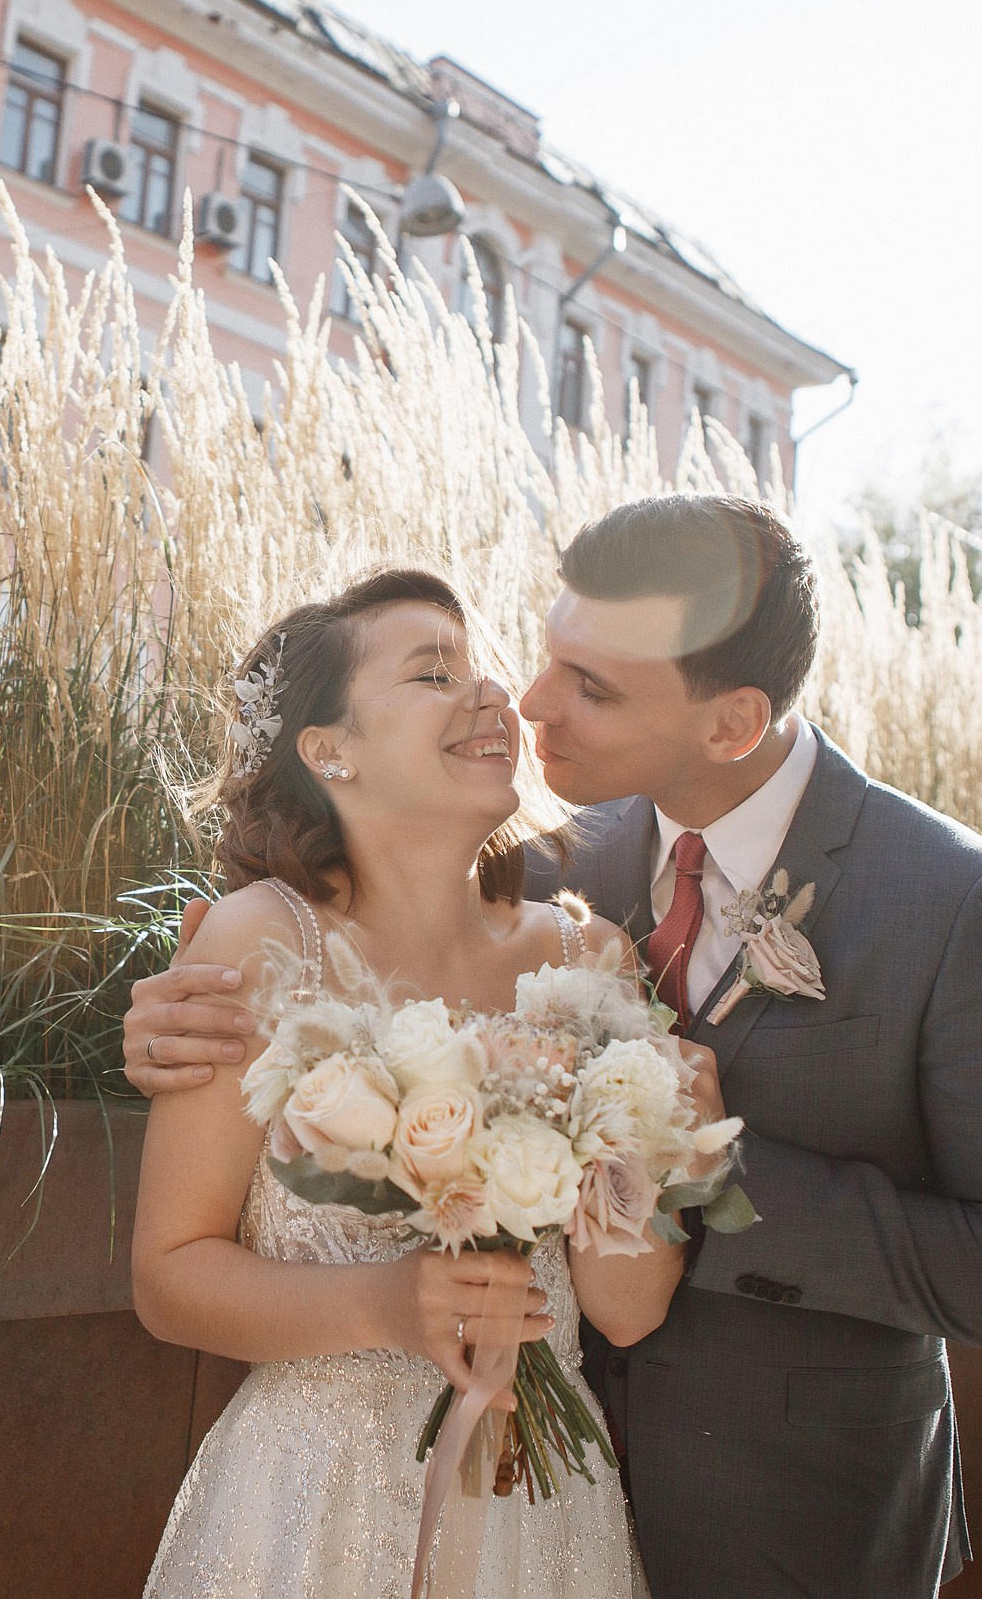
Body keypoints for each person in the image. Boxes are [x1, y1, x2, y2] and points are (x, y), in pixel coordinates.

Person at [127, 496, 982, 1599]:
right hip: (353, 1506)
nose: (525, 700)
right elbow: (367, 911)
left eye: (591, 686)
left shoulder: (951, 904)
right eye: (546, 654)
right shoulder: (560, 859)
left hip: (782, 1523)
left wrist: (702, 1164)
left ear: (731, 724)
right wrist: (170, 1026)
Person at [136, 567, 715, 1597]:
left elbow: (625, 1309)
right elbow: (169, 1276)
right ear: (332, 751)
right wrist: (381, 1305)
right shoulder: (261, 942)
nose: (491, 695)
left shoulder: (588, 959)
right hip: (314, 1506)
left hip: (539, 1506)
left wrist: (663, 1144)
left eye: (482, 670)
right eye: (434, 673)